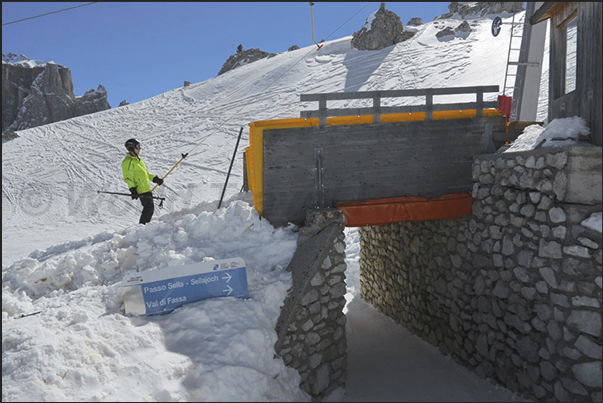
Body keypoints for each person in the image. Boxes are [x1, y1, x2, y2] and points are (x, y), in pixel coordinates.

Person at [121, 138, 164, 224]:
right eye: (137, 147)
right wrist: (132, 189)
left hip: (146, 188)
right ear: (131, 148)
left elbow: (146, 174)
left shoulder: (138, 160)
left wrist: (155, 179)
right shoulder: (128, 162)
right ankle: (142, 227)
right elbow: (128, 178)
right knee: (149, 208)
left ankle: (143, 227)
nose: (139, 149)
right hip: (140, 190)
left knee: (149, 209)